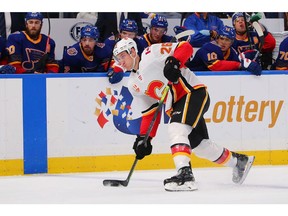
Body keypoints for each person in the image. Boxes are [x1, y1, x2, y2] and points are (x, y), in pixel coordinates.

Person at [112, 37, 255, 191]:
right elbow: (150, 111)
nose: (121, 61)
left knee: (176, 129)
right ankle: (239, 162)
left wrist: (173, 62)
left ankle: (185, 175)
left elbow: (185, 47)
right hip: (178, 105)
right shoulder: (132, 84)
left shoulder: (150, 52)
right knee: (199, 146)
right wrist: (144, 138)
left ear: (133, 51)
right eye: (118, 59)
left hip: (192, 92)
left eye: (122, 56)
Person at [186, 25, 262, 75]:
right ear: (217, 39)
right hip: (191, 78)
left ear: (232, 42)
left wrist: (248, 64)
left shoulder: (231, 52)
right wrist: (240, 65)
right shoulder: (208, 48)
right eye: (221, 38)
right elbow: (215, 66)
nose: (223, 42)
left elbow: (238, 68)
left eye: (227, 40)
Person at [106, 19, 141, 83]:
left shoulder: (140, 43)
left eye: (131, 34)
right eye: (124, 33)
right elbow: (107, 66)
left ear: (135, 35)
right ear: (120, 33)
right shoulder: (110, 43)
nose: (127, 37)